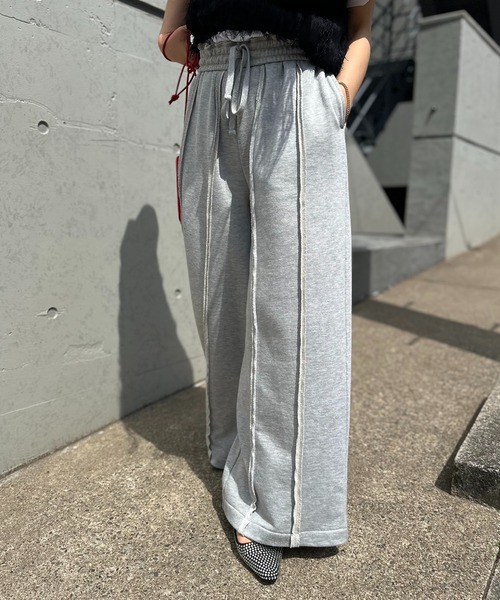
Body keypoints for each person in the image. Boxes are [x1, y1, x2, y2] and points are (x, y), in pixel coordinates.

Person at [158, 0, 374, 584]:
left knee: (297, 309)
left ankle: (274, 507)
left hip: (296, 88)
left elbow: (360, 26)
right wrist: (204, 56)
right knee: (219, 291)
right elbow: (170, 35)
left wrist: (339, 97)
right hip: (213, 92)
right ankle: (233, 446)